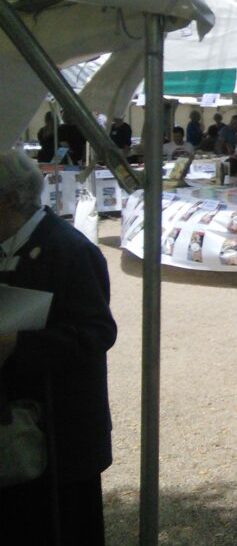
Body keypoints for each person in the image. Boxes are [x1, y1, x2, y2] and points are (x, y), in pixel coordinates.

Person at [0, 149, 117, 545]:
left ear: (10, 199)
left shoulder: (69, 249)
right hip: (15, 428)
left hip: (61, 432)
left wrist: (18, 344)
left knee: (64, 527)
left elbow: (98, 332)